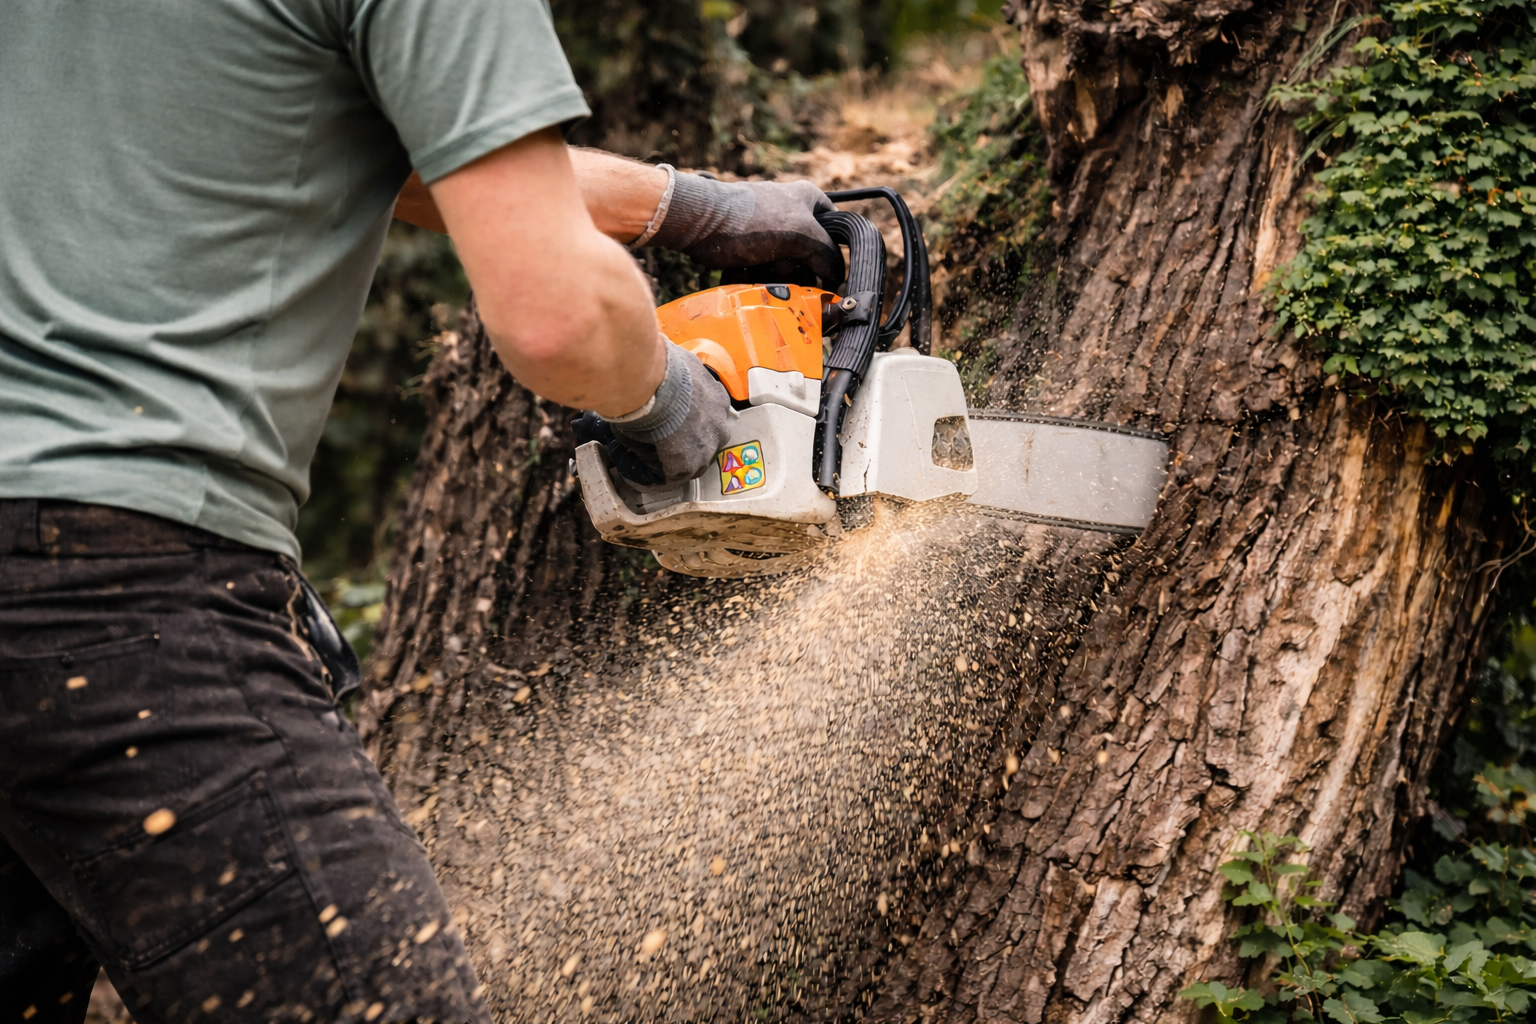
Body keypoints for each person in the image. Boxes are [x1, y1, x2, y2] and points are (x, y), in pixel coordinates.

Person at [0, 0, 843, 1019]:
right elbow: (560, 315)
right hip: (107, 584)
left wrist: (684, 206)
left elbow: (335, 130)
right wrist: (669, 395)